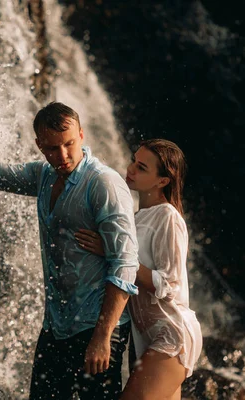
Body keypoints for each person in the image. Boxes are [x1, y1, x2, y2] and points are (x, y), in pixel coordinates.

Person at [0, 99, 140, 399]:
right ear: (39, 145)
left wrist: (103, 335)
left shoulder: (104, 184)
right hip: (57, 325)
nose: (62, 155)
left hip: (98, 327)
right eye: (51, 148)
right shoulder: (44, 176)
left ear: (81, 136)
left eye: (69, 144)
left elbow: (125, 264)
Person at [75, 139, 203, 400]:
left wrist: (114, 252)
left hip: (171, 335)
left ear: (162, 181)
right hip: (146, 339)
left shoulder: (167, 216)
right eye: (134, 160)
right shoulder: (135, 217)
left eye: (142, 167)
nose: (131, 168)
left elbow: (170, 285)